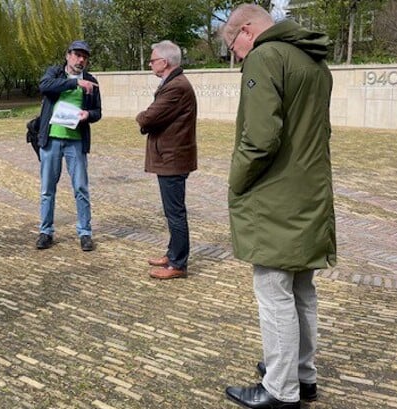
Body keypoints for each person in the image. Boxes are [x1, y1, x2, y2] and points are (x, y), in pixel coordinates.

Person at [221, 5, 336, 409]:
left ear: (247, 31)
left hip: (275, 198)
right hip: (310, 194)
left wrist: (235, 182)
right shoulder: (314, 62)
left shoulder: (265, 57)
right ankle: (302, 377)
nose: (236, 56)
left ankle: (279, 391)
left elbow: (261, 139)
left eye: (233, 47)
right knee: (302, 290)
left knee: (273, 292)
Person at [135, 40, 197, 280]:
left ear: (165, 61)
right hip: (170, 156)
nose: (150, 63)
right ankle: (173, 254)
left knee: (175, 212)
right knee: (172, 211)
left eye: (153, 59)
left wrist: (141, 117)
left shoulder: (176, 87)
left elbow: (149, 117)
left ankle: (178, 263)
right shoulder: (173, 83)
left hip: (173, 158)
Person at [35, 40, 102, 252]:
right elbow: (44, 87)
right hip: (52, 139)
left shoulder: (91, 81)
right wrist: (75, 84)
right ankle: (46, 231)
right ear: (68, 55)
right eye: (77, 55)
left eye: (84, 56)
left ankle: (85, 233)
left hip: (76, 141)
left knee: (81, 188)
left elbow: (98, 111)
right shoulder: (55, 74)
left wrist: (88, 115)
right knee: (47, 189)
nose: (80, 59)